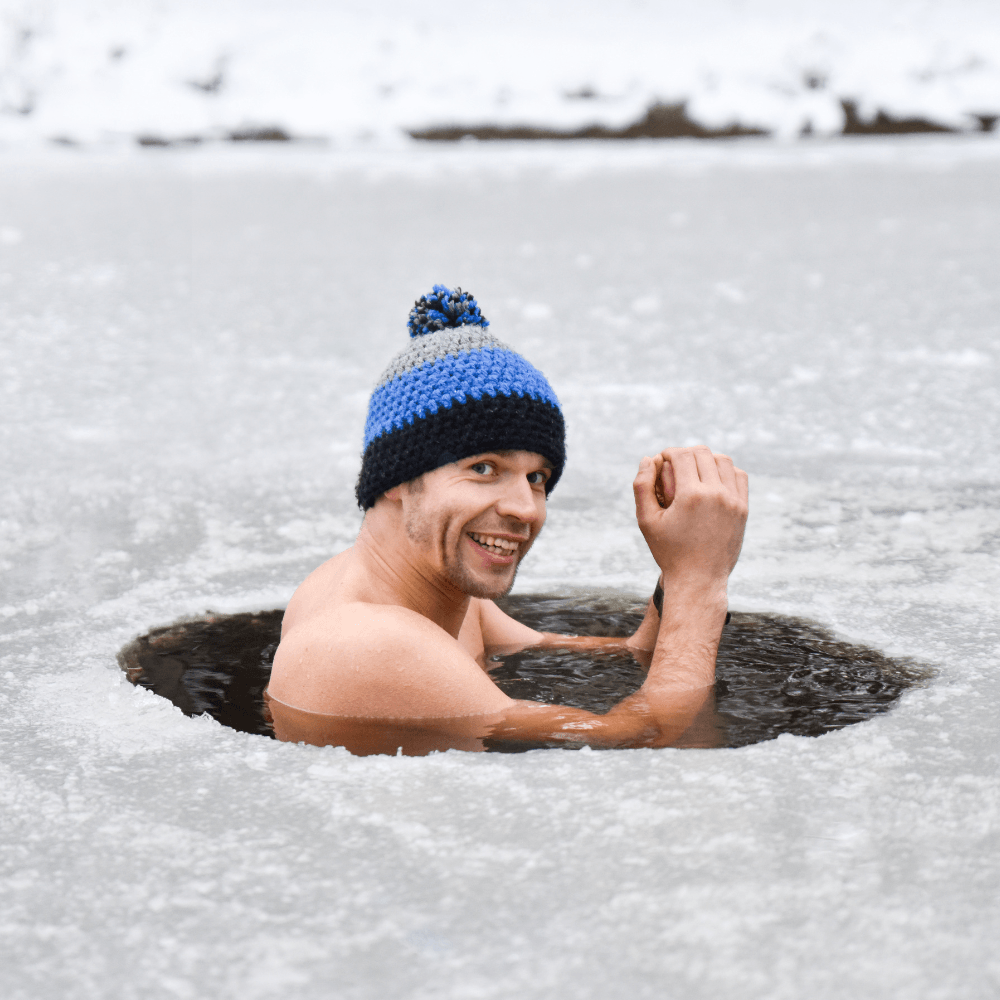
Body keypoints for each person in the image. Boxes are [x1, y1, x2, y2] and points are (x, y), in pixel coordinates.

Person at [265, 286, 748, 755]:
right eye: (483, 468)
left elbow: (632, 654)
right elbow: (645, 740)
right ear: (395, 478)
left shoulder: (439, 589)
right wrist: (699, 580)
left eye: (537, 476)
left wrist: (679, 562)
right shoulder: (365, 643)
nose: (526, 508)